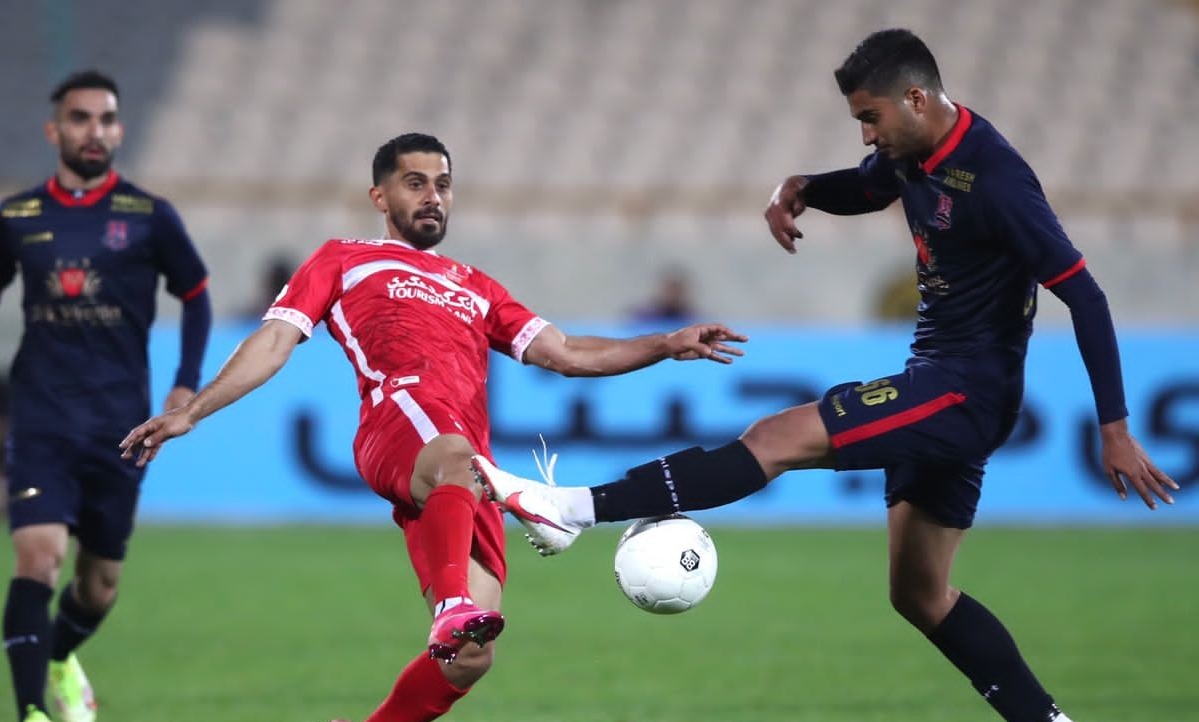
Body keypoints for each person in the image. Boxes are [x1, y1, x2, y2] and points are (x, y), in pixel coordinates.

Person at [473, 29, 1179, 722]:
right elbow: (866, 188)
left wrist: (1114, 429)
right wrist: (802, 188)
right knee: (920, 595)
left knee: (775, 438)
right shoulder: (913, 152)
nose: (866, 135)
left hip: (965, 390)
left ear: (916, 98)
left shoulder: (995, 179)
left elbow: (1085, 295)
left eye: (871, 117)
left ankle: (571, 509)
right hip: (941, 380)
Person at [117, 132, 746, 722]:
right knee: (458, 479)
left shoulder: (475, 286)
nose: (432, 197)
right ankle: (451, 602)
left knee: (470, 656)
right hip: (400, 425)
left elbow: (567, 353)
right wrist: (192, 410)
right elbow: (276, 339)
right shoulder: (344, 259)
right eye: (415, 183)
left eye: (442, 185)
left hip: (468, 475)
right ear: (379, 196)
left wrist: (665, 343)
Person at [0, 70, 212, 722]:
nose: (94, 130)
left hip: (121, 423)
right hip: (42, 417)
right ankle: (32, 711)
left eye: (105, 118)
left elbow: (196, 296)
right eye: (80, 118)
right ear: (54, 130)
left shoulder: (149, 216)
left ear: (120, 129)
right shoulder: (18, 216)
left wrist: (185, 383)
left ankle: (57, 655)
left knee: (100, 585)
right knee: (39, 556)